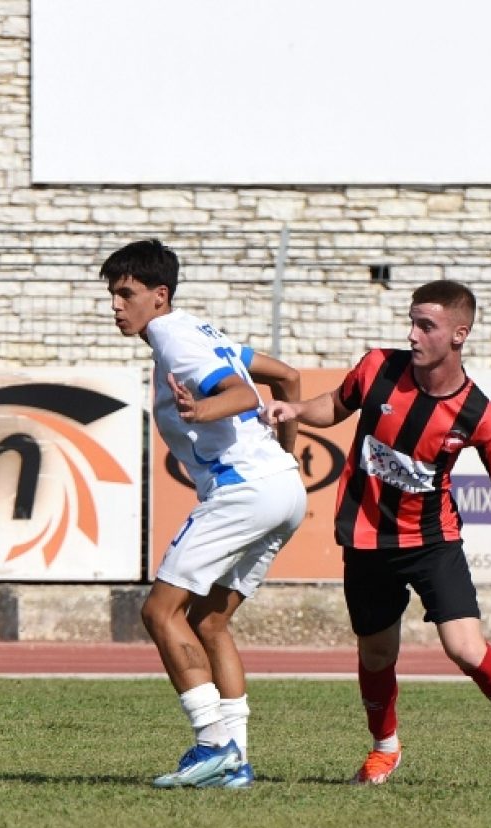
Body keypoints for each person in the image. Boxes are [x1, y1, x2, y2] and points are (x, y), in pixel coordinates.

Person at [263, 279, 491, 788]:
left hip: (432, 541)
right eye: (411, 323)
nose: (412, 335)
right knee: (376, 654)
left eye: (426, 325)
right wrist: (298, 411)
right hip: (367, 539)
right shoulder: (377, 367)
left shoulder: (480, 415)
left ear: (459, 334)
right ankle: (384, 749)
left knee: (465, 648)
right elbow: (337, 404)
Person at [103, 239, 306, 789]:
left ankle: (214, 745)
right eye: (113, 295)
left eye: (126, 293)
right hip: (283, 489)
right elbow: (288, 378)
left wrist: (202, 408)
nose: (116, 305)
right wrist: (286, 455)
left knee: (159, 613)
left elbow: (242, 394)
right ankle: (235, 762)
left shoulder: (173, 337)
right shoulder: (201, 331)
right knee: (209, 622)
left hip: (244, 490)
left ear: (160, 295)